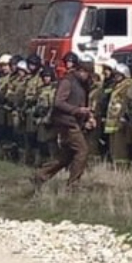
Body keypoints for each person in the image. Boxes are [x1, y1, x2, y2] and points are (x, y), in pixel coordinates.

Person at [35, 53, 96, 188]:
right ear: (81, 70)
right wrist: (77, 111)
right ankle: (73, 185)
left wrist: (88, 117)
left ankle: (41, 175)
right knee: (82, 151)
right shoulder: (67, 81)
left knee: (66, 156)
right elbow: (58, 102)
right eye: (87, 72)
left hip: (73, 122)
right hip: (66, 123)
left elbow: (82, 104)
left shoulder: (82, 84)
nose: (88, 76)